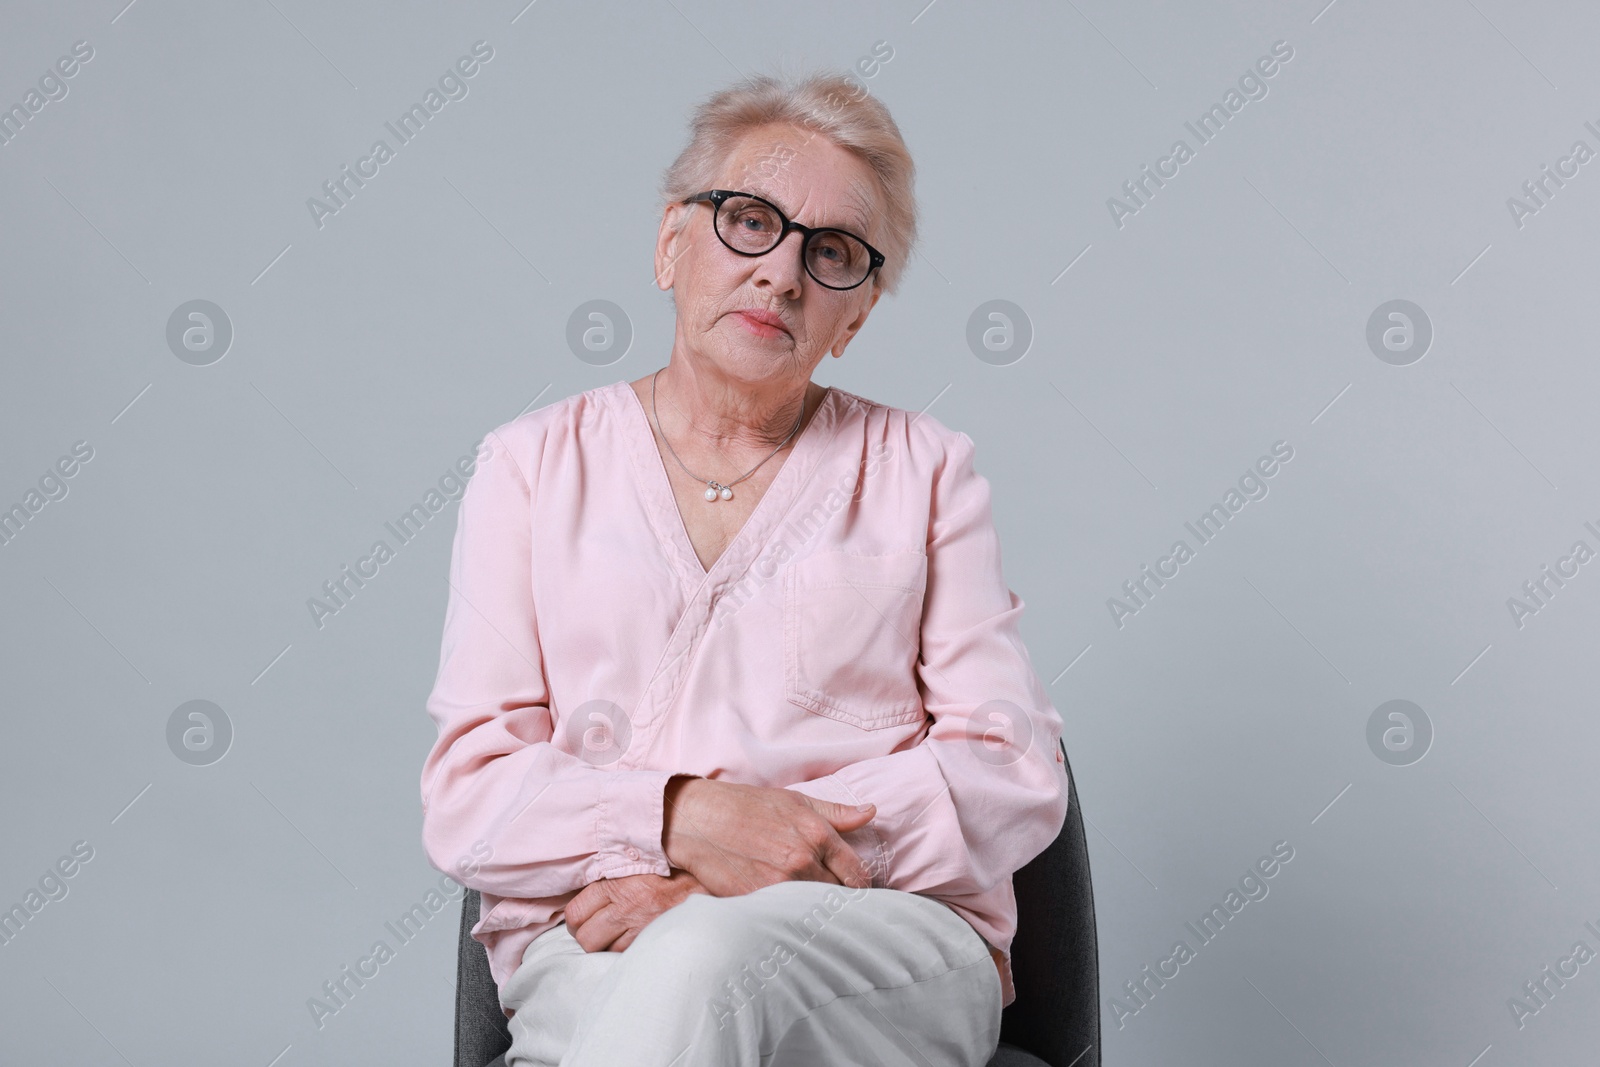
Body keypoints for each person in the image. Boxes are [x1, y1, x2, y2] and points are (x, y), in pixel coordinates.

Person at [420, 69, 1070, 1067]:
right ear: (672, 243)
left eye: (834, 253)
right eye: (750, 221)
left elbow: (1008, 765)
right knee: (675, 973)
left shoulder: (924, 472)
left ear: (855, 314)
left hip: (880, 941)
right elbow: (472, 796)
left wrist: (756, 869)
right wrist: (681, 819)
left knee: (700, 958)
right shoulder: (530, 466)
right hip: (594, 938)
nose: (782, 273)